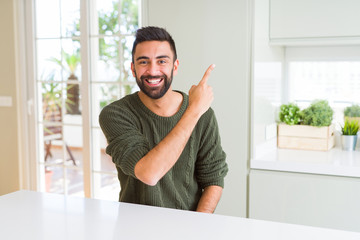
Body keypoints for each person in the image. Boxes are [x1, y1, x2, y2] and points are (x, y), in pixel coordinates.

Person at [99, 26, 228, 213]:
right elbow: (149, 173)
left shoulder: (203, 114)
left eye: (162, 61)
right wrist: (194, 111)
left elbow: (213, 178)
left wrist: (198, 226)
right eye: (143, 62)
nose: (152, 71)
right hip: (134, 228)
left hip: (188, 227)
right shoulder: (116, 114)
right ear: (133, 69)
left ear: (174, 66)